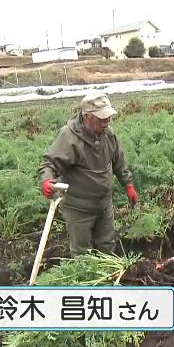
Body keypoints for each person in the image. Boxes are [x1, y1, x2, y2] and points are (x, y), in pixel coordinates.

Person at [38, 93, 139, 256]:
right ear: (86, 116)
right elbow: (49, 163)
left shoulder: (108, 134)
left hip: (104, 204)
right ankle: (86, 279)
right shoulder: (69, 138)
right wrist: (46, 181)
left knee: (107, 245)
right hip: (78, 208)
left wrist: (128, 185)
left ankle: (109, 277)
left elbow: (118, 162)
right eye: (101, 118)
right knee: (82, 252)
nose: (106, 122)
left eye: (108, 117)